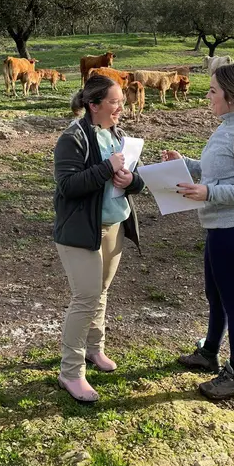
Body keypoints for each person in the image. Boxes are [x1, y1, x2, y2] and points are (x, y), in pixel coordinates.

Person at [162, 62, 234, 401]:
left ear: (231, 96)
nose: (207, 96)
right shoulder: (228, 126)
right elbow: (219, 170)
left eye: (212, 91)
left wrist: (209, 193)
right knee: (217, 297)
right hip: (219, 228)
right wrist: (187, 164)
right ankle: (209, 352)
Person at [53, 74, 144, 403]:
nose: (122, 107)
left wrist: (131, 179)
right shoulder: (72, 138)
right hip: (80, 232)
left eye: (121, 100)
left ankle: (95, 349)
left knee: (101, 292)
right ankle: (71, 372)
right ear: (93, 105)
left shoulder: (117, 134)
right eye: (115, 102)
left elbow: (138, 181)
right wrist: (107, 169)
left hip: (114, 226)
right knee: (86, 297)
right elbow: (68, 186)